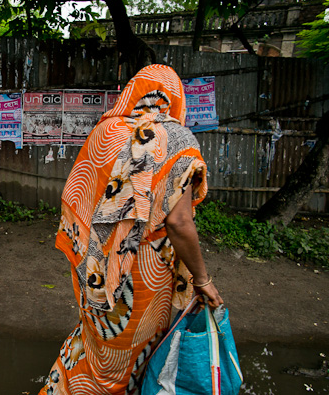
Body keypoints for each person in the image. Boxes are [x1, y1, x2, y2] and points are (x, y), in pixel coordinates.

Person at [39, 64, 223, 395]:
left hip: (94, 263)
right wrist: (202, 279)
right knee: (132, 354)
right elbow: (179, 223)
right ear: (176, 99)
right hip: (145, 276)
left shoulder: (106, 131)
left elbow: (78, 195)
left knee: (98, 341)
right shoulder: (177, 140)